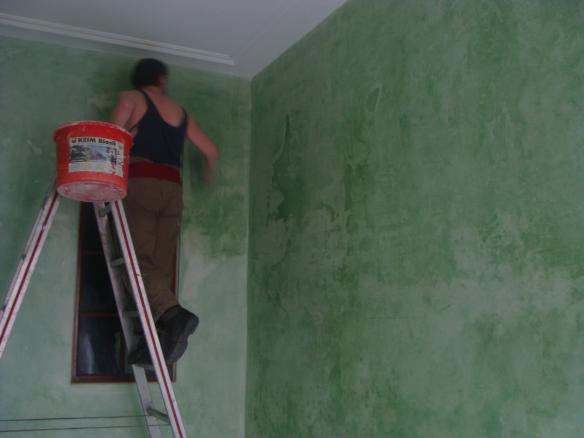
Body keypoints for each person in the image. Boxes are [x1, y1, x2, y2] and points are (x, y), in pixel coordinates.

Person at [110, 58, 219, 365]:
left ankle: (174, 316)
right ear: (160, 78)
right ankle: (155, 340)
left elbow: (110, 139)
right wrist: (208, 178)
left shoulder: (131, 98)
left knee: (135, 262)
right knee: (159, 269)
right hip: (173, 189)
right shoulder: (181, 112)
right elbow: (211, 152)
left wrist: (124, 138)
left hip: (141, 182)